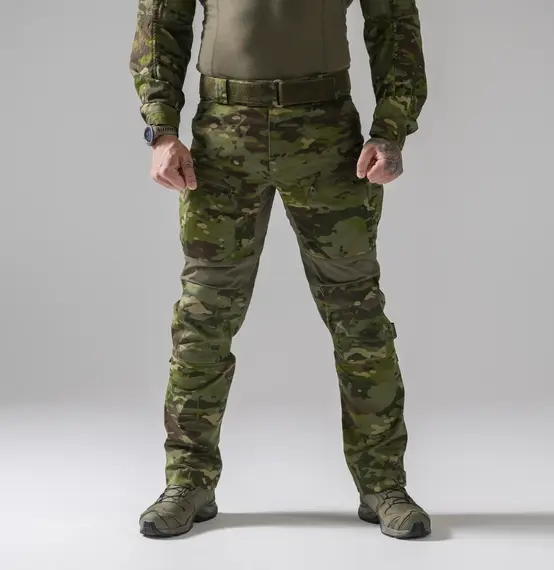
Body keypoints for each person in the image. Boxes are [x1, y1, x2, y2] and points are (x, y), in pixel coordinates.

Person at [129, 0, 429, 540]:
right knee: (203, 317)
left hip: (327, 137)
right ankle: (187, 482)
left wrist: (391, 129)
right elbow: (161, 21)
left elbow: (394, 24)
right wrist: (161, 129)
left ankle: (384, 484)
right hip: (223, 138)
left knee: (358, 316)